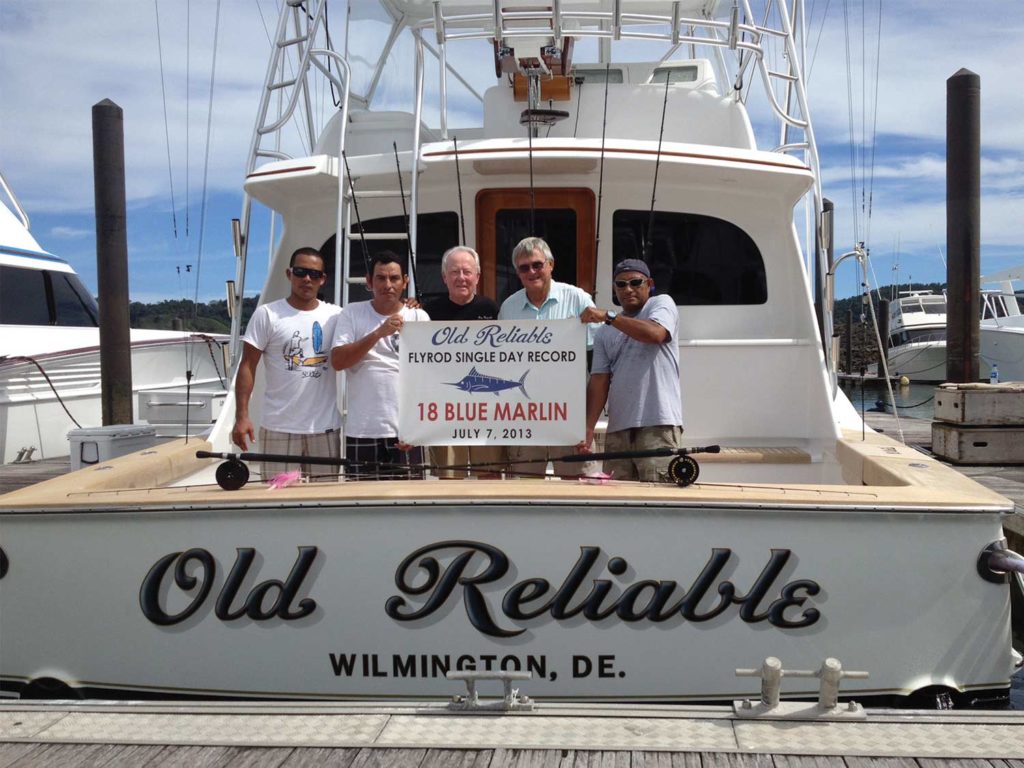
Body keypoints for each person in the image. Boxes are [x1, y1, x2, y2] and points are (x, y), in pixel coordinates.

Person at [232, 246, 342, 482]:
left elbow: (373, 320)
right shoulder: (267, 314)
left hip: (325, 428)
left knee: (327, 503)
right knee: (276, 504)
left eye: (314, 274)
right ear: (289, 273)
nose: (307, 279)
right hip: (278, 427)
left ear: (323, 279)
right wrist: (241, 416)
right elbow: (247, 366)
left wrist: (408, 308)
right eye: (301, 272)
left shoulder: (337, 316)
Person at [498, 236, 598, 478]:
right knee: (523, 493)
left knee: (580, 492)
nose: (531, 272)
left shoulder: (578, 300)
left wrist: (589, 422)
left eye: (537, 265)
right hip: (523, 419)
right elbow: (501, 365)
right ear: (517, 273)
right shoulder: (508, 309)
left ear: (551, 265)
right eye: (524, 268)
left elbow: (597, 365)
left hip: (569, 417)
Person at [578, 258, 683, 481]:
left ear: (649, 283)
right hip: (617, 431)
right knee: (617, 504)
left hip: (658, 424)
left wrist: (608, 316)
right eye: (621, 284)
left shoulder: (661, 304)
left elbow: (655, 334)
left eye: (636, 282)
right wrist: (588, 428)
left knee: (659, 499)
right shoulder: (604, 333)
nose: (628, 289)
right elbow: (599, 381)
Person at [331, 250, 429, 479]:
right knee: (362, 506)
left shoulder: (420, 318)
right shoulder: (352, 313)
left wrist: (417, 428)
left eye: (394, 278)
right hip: (362, 430)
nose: (388, 284)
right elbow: (338, 361)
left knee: (411, 506)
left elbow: (427, 379)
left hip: (406, 432)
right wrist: (378, 333)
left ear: (405, 281)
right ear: (369, 281)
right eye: (380, 278)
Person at [423, 246, 504, 478]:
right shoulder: (427, 314)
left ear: (477, 277)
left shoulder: (492, 310)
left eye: (467, 272)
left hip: (487, 411)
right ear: (444, 277)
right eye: (454, 272)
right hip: (445, 411)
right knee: (450, 478)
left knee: (490, 477)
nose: (461, 278)